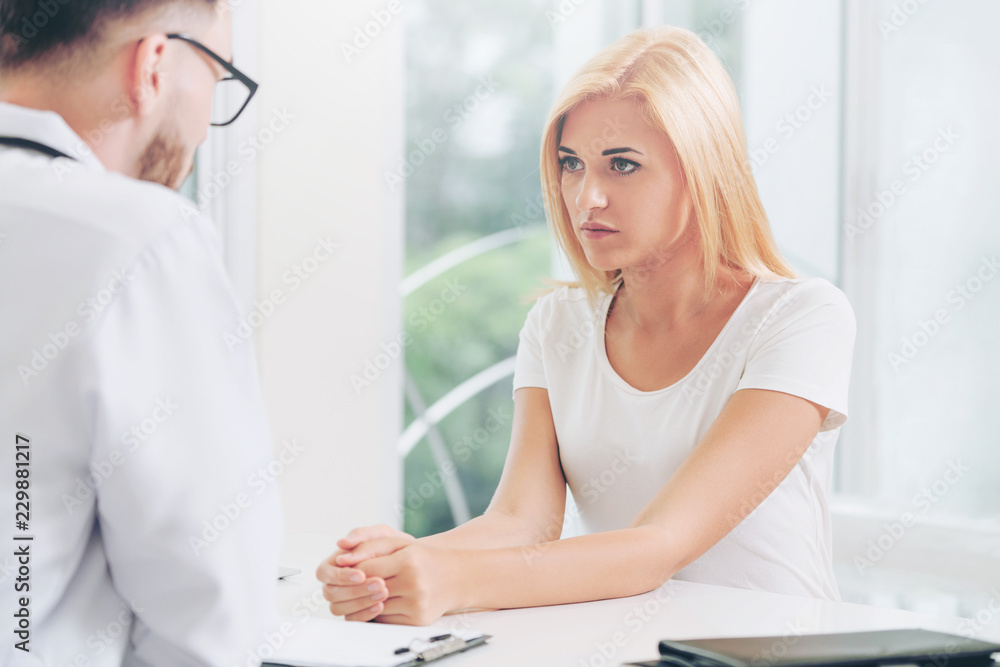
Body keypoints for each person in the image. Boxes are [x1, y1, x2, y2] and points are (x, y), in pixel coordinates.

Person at [317, 26, 855, 626]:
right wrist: (393, 566)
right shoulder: (558, 323)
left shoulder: (803, 318)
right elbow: (522, 521)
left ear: (702, 171)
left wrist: (451, 580)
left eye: (623, 165)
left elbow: (659, 545)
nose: (586, 198)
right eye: (571, 165)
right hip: (635, 647)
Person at [0, 1, 282, 664]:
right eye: (217, 74)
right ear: (153, 64)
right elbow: (211, 618)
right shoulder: (139, 237)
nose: (208, 130)